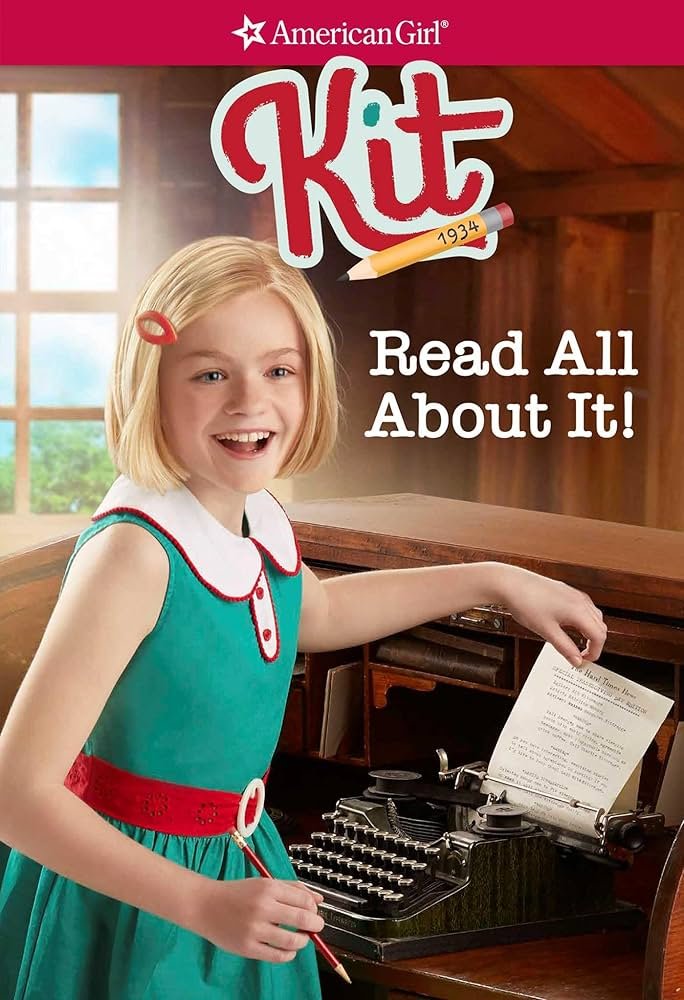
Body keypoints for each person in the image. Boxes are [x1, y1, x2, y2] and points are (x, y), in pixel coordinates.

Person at [0, 236, 607, 999]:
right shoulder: (134, 554)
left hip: (236, 863)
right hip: (135, 899)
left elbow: (313, 610)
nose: (249, 401)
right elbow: (15, 793)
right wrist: (200, 903)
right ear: (150, 383)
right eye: (211, 373)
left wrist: (494, 578)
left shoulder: (255, 513)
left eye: (278, 370)